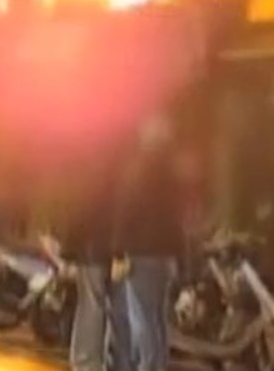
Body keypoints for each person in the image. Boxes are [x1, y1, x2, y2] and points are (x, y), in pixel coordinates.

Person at [113, 111, 183, 371]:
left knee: (141, 316)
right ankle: (158, 364)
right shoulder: (172, 174)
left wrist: (118, 249)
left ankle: (148, 365)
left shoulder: (137, 171)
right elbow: (178, 218)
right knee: (158, 318)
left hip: (141, 253)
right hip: (165, 256)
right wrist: (180, 255)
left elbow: (126, 212)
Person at [65, 146, 133, 371]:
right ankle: (119, 362)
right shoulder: (126, 173)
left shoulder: (90, 174)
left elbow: (81, 212)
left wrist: (70, 246)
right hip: (118, 249)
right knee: (119, 310)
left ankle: (87, 362)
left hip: (93, 250)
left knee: (92, 306)